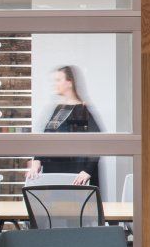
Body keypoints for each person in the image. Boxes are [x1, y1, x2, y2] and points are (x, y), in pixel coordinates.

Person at [28, 64, 101, 193]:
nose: (55, 84)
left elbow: (97, 141)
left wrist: (87, 171)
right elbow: (48, 137)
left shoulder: (81, 110)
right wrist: (37, 160)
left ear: (69, 82)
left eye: (58, 80)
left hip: (72, 178)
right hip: (56, 175)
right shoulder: (60, 109)